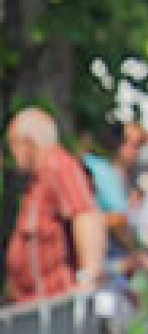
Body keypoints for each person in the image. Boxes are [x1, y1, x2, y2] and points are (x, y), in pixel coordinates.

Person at [4, 108, 106, 304]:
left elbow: (85, 215)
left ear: (28, 143)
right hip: (35, 303)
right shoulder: (37, 180)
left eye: (13, 145)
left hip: (56, 303)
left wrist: (88, 277)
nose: (12, 154)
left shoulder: (59, 167)